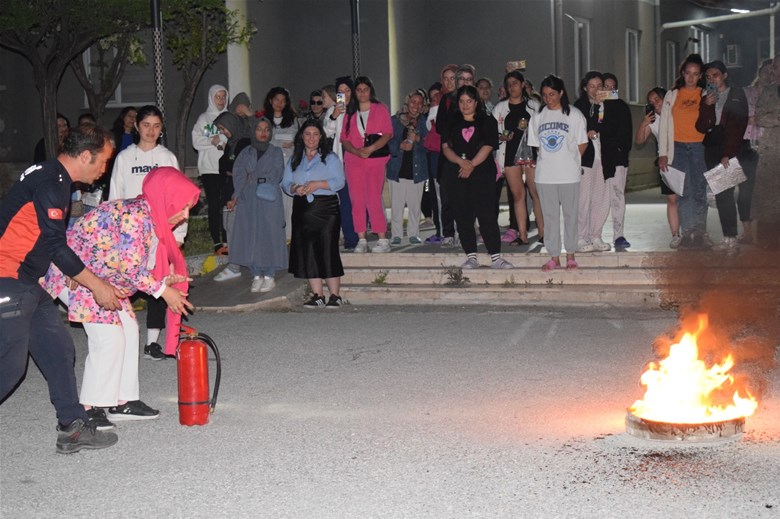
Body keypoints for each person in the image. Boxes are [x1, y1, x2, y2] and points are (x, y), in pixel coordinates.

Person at [43, 167, 197, 427]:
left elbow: (132, 264)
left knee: (127, 328)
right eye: (181, 207)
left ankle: (121, 401)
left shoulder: (150, 216)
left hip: (100, 276)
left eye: (188, 209)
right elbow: (130, 268)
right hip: (76, 275)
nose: (184, 216)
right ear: (165, 197)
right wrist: (163, 291)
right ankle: (89, 407)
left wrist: (164, 282)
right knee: (109, 337)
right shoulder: (136, 217)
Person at [0, 123, 121, 454]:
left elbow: (42, 235)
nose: (104, 169)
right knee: (9, 370)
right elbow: (54, 242)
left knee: (58, 349)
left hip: (25, 281)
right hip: (6, 277)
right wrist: (96, 286)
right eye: (103, 161)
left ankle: (72, 427)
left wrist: (65, 268)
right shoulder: (52, 182)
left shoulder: (53, 177)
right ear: (85, 155)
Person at [108, 105, 181, 360]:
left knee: (158, 285)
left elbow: (179, 199)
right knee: (125, 285)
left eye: (156, 126)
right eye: (146, 125)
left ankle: (152, 342)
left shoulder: (168, 158)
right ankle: (119, 336)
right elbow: (114, 197)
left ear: (162, 129)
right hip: (130, 235)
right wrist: (114, 235)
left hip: (160, 233)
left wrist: (178, 237)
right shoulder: (124, 159)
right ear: (137, 126)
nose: (151, 130)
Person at [441, 85, 512, 270]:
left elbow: (488, 145)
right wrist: (460, 162)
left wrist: (471, 164)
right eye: (462, 101)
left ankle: (496, 256)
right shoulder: (452, 121)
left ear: (476, 102)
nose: (465, 105)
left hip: (481, 173)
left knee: (487, 214)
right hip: (457, 172)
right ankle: (471, 255)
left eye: (469, 101)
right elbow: (446, 147)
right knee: (463, 215)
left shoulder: (487, 120)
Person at [527, 75, 588, 272]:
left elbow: (582, 143)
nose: (548, 98)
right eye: (545, 95)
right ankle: (554, 256)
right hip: (545, 176)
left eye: (552, 94)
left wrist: (570, 161)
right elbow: (535, 146)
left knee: (571, 215)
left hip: (569, 175)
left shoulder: (574, 115)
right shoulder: (538, 117)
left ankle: (571, 255)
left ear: (561, 93)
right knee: (550, 216)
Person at [283, 119, 346, 308]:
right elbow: (285, 183)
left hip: (326, 208)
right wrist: (295, 188)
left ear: (321, 137)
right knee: (307, 250)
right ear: (302, 136)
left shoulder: (330, 158)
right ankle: (317, 294)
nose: (311, 138)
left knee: (328, 248)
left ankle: (335, 295)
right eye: (308, 134)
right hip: (302, 208)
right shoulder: (295, 158)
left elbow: (339, 182)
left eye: (315, 134)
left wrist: (318, 184)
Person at [221, 118, 288, 292]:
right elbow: (238, 175)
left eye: (267, 129)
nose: (263, 133)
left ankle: (269, 275)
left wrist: (255, 176)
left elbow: (277, 173)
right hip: (248, 197)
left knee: (269, 234)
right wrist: (235, 196)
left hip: (268, 196)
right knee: (250, 235)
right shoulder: (246, 152)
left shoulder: (276, 152)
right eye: (259, 129)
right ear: (254, 131)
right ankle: (256, 274)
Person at [696, 60, 748, 252]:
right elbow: (701, 126)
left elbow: (738, 126)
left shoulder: (735, 94)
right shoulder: (706, 96)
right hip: (712, 147)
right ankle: (728, 238)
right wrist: (707, 105)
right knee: (720, 194)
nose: (712, 79)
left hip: (730, 147)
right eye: (708, 77)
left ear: (724, 75)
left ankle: (731, 238)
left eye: (715, 75)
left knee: (727, 194)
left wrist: (728, 153)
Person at [658, 54, 709, 249]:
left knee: (699, 191)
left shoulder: (705, 95)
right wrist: (663, 153)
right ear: (682, 73)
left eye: (695, 74)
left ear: (700, 76)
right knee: (684, 192)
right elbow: (663, 125)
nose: (691, 77)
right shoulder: (672, 95)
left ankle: (700, 233)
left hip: (699, 148)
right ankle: (687, 233)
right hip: (677, 148)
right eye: (688, 73)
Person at [340, 76, 393, 253]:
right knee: (357, 200)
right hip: (354, 161)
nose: (362, 93)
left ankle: (382, 238)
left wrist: (370, 148)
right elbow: (344, 140)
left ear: (371, 91)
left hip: (375, 159)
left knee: (373, 197)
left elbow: (387, 133)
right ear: (355, 93)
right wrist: (357, 151)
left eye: (365, 89)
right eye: (359, 89)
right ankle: (361, 239)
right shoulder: (349, 112)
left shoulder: (380, 109)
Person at [493, 70, 541, 246]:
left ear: (523, 85)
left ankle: (543, 233)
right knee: (517, 196)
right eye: (509, 84)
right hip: (509, 155)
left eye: (515, 83)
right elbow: (493, 133)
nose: (512, 86)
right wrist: (502, 137)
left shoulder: (534, 106)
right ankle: (522, 235)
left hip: (532, 155)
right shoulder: (500, 108)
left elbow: (541, 129)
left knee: (536, 193)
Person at [433, 64, 475, 247]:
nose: (464, 82)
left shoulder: (477, 101)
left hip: (471, 155)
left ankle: (465, 231)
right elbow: (441, 127)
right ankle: (448, 232)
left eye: (468, 79)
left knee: (467, 197)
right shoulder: (448, 100)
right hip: (450, 154)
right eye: (461, 79)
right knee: (448, 196)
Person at [636, 87, 681, 248]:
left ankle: (694, 232)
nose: (655, 104)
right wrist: (644, 123)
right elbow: (640, 140)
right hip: (665, 163)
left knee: (688, 197)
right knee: (672, 198)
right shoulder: (654, 121)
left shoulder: (678, 113)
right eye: (651, 102)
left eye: (657, 99)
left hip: (683, 158)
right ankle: (675, 234)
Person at [574, 71, 611, 253]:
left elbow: (609, 126)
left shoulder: (609, 105)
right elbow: (585, 126)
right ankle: (581, 237)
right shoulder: (579, 107)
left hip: (604, 159)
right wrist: (596, 108)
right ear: (584, 88)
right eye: (592, 86)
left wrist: (602, 106)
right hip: (585, 159)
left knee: (601, 198)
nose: (596, 90)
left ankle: (596, 234)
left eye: (599, 86)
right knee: (583, 199)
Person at [738, 59, 773, 244]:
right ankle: (747, 232)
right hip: (745, 145)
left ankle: (766, 232)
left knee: (766, 191)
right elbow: (734, 116)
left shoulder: (774, 95)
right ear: (759, 72)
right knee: (745, 189)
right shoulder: (745, 93)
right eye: (766, 71)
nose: (768, 75)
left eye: (772, 71)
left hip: (768, 146)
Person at [322, 77, 359, 252]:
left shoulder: (360, 109)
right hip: (341, 161)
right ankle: (351, 238)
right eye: (340, 91)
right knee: (344, 201)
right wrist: (334, 115)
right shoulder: (332, 110)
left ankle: (362, 235)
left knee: (359, 200)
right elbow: (326, 134)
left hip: (359, 159)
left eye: (347, 90)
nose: (344, 94)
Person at [388, 89, 429, 245]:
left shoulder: (425, 122)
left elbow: (430, 145)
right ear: (407, 102)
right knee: (396, 206)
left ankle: (414, 233)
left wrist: (417, 138)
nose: (416, 106)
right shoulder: (394, 121)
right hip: (397, 169)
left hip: (417, 171)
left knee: (414, 206)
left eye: (419, 103)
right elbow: (387, 144)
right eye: (413, 102)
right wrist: (400, 146)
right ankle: (396, 235)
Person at [192, 84, 229, 254]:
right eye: (218, 97)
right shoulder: (204, 118)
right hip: (209, 169)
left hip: (226, 168)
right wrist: (211, 142)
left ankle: (228, 239)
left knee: (225, 204)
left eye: (223, 96)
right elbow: (196, 141)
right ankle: (217, 242)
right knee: (214, 205)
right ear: (211, 98)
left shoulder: (230, 117)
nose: (221, 100)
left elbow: (229, 140)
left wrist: (220, 140)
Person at [599, 72, 633, 249]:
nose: (609, 90)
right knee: (598, 198)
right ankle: (593, 235)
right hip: (597, 160)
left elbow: (627, 135)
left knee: (618, 197)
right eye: (606, 86)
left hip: (617, 160)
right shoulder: (595, 106)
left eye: (613, 87)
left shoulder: (621, 107)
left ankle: (618, 235)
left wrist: (620, 150)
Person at [751, 52, 780, 249]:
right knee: (768, 197)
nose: (775, 71)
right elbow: (760, 117)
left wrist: (774, 116)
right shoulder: (768, 92)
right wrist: (778, 118)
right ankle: (768, 240)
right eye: (775, 67)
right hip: (771, 150)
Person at [264, 87, 299, 242]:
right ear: (271, 100)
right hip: (270, 165)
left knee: (289, 199)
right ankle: (273, 235)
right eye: (277, 99)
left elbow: (296, 141)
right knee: (272, 199)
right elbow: (263, 141)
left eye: (283, 100)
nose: (280, 103)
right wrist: (280, 142)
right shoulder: (263, 120)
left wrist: (281, 142)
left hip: (289, 164)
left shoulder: (293, 120)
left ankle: (289, 235)